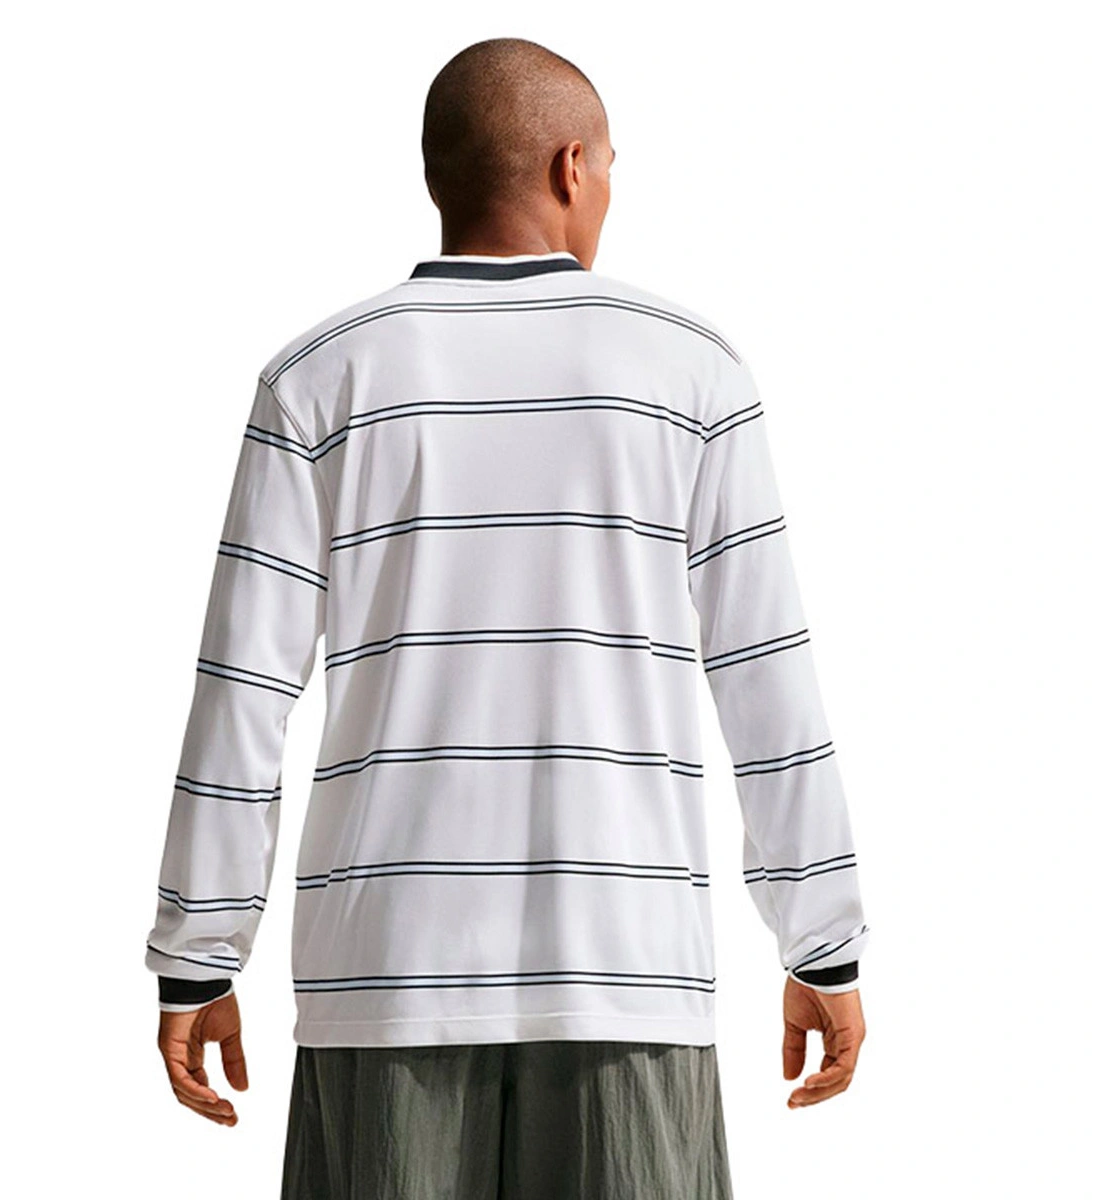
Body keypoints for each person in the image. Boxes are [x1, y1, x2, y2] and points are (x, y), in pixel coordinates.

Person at [145, 36, 870, 1199]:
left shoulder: (318, 377)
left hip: (383, 976)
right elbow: (765, 676)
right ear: (573, 166)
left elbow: (243, 689)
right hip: (627, 972)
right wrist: (821, 943)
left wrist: (197, 957)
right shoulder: (692, 373)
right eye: (613, 167)